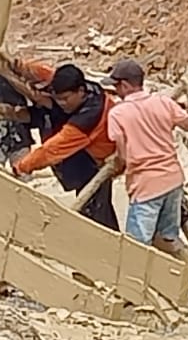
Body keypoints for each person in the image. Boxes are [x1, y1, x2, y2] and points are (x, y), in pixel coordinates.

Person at [105, 58, 188, 254]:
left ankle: (137, 283)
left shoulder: (118, 114)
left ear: (124, 85)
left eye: (116, 86)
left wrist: (113, 170)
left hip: (145, 186)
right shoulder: (163, 102)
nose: (115, 91)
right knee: (169, 237)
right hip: (173, 180)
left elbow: (123, 158)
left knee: (137, 246)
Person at [9, 63, 121, 232]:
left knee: (97, 214)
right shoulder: (85, 86)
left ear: (80, 92)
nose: (61, 103)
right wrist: (18, 65)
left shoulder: (89, 116)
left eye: (65, 99)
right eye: (58, 98)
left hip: (98, 163)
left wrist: (22, 166)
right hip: (89, 156)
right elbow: (48, 74)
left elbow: (52, 150)